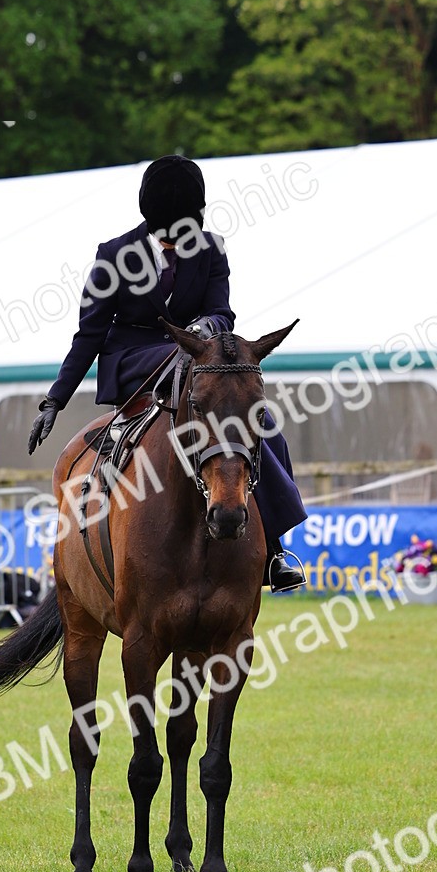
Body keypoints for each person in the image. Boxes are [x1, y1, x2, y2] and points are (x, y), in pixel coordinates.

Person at [27, 154, 307, 590]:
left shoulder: (211, 248)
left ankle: (275, 547)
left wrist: (204, 329)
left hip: (198, 358)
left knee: (262, 421)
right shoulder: (114, 255)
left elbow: (221, 311)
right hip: (135, 358)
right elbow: (89, 335)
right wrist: (54, 400)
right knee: (176, 358)